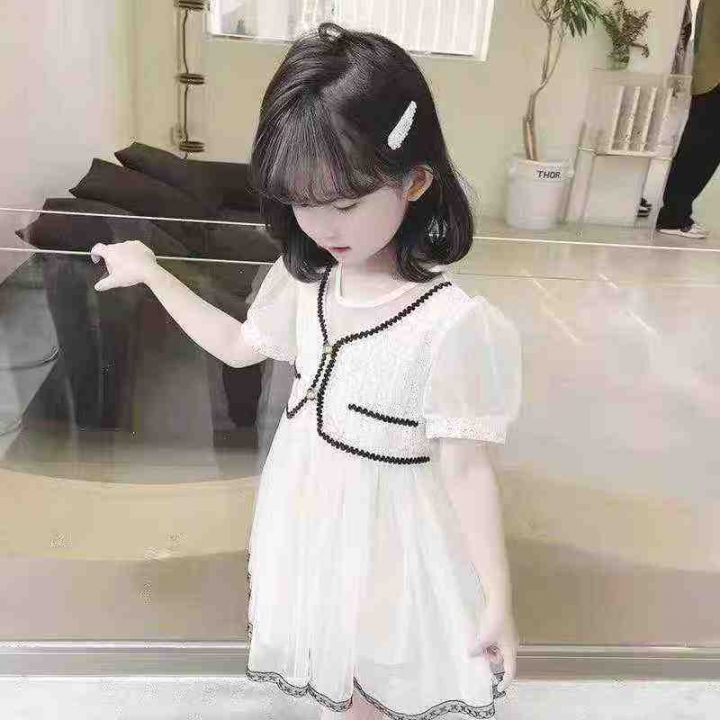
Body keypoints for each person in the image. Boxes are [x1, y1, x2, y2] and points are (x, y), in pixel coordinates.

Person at [90, 22, 522, 720]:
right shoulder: (303, 282)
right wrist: (152, 272)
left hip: (391, 534)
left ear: (416, 180)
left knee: (383, 682)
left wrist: (498, 594)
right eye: (302, 201)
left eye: (345, 203)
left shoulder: (451, 324)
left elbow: (466, 469)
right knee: (335, 675)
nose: (323, 227)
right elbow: (239, 346)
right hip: (307, 513)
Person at [657, 0, 720, 239]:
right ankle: (674, 216)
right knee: (701, 149)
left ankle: (675, 213)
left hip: (710, 76)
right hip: (715, 79)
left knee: (703, 148)